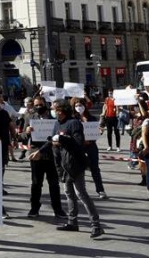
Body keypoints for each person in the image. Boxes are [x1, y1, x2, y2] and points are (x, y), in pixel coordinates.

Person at [46, 100, 104, 238]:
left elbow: (78, 143)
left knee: (81, 194)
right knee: (69, 194)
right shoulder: (57, 123)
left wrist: (62, 139)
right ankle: (72, 222)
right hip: (63, 164)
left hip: (74, 164)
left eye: (54, 108)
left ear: (61, 109)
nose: (52, 111)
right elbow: (55, 144)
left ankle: (96, 225)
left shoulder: (74, 123)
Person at [23, 98, 66, 219]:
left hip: (51, 154)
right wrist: (26, 132)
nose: (38, 107)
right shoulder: (30, 118)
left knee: (53, 183)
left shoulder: (54, 119)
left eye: (40, 105)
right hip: (36, 155)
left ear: (45, 105)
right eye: (36, 105)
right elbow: (21, 137)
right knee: (36, 183)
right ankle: (34, 208)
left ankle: (57, 209)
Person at [72, 98, 107, 199]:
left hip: (91, 146)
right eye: (77, 106)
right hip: (78, 147)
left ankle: (100, 190)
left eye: (81, 105)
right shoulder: (73, 119)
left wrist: (99, 132)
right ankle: (79, 191)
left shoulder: (92, 118)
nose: (79, 107)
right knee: (78, 169)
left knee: (95, 168)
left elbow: (95, 132)